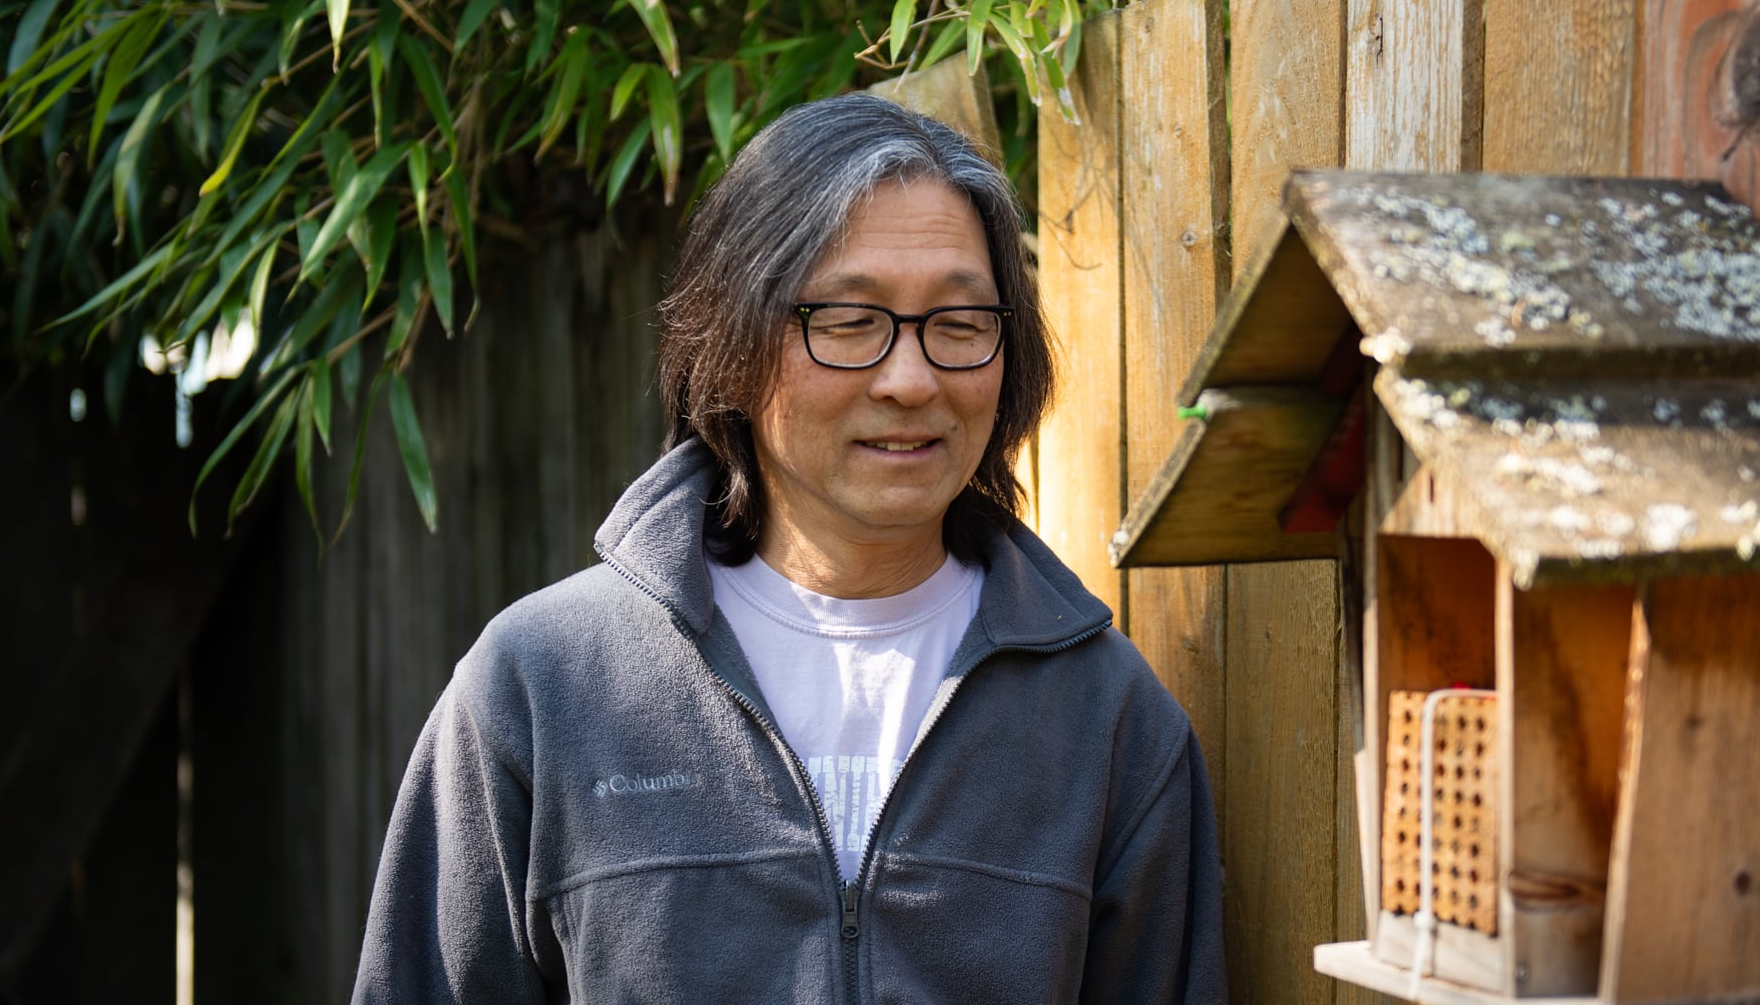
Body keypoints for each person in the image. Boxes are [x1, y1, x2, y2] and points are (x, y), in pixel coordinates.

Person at [351, 95, 1226, 1003]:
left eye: (961, 324)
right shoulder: (544, 686)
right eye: (847, 321)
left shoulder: (1106, 719)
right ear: (730, 341)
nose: (911, 379)